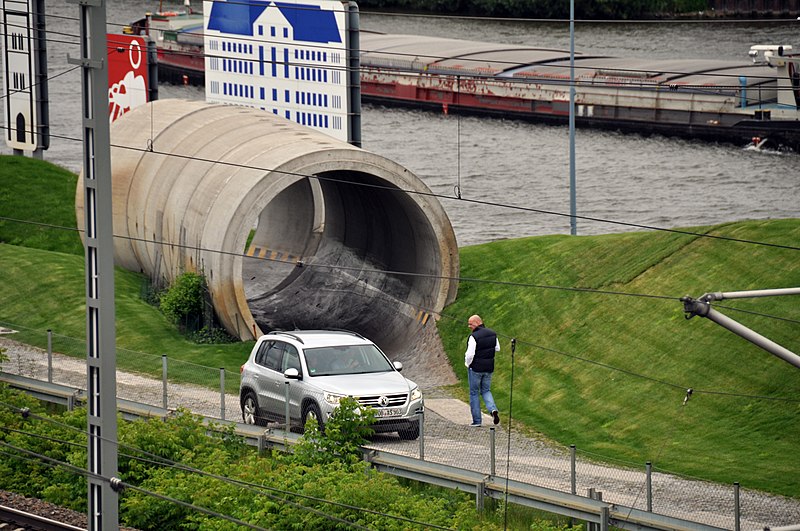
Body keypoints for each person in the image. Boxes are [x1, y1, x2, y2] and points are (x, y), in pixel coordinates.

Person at [464, 314, 500, 427]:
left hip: (476, 368)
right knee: (486, 390)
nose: (469, 326)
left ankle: (477, 421)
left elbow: (470, 355)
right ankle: (493, 409)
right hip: (489, 367)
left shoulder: (473, 337)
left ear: (477, 322)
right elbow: (497, 348)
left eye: (470, 324)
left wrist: (467, 364)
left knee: (474, 393)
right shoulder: (493, 333)